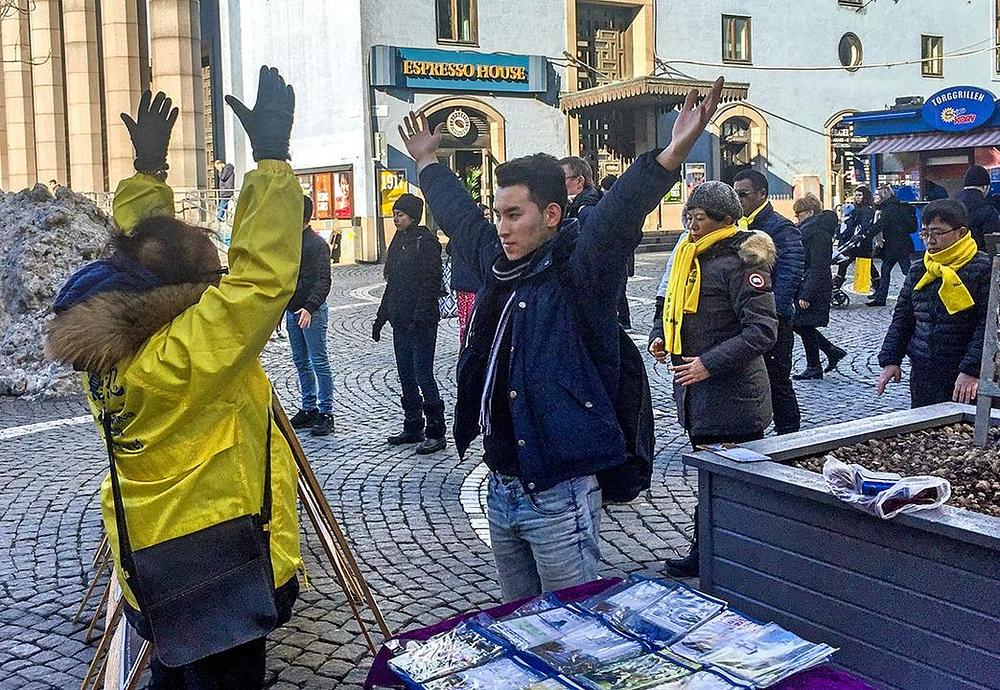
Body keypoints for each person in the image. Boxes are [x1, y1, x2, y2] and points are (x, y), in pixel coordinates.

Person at [400, 79, 725, 600]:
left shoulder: (580, 268)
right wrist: (428, 165)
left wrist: (671, 154)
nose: (502, 228)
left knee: (570, 632)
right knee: (521, 622)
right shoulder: (498, 265)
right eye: (498, 215)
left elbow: (619, 214)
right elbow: (459, 218)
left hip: (558, 492)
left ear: (551, 215)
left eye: (514, 215)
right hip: (502, 486)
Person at [46, 68, 301, 688]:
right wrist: (270, 164)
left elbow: (147, 253)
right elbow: (261, 281)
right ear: (185, 292)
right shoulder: (185, 357)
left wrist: (147, 173)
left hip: (151, 561)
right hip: (221, 564)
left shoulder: (107, 350)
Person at [648, 181, 778, 577]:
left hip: (733, 396)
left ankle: (737, 558)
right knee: (711, 478)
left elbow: (762, 331)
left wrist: (708, 363)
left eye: (699, 218)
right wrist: (660, 336)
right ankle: (706, 551)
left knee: (735, 484)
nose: (691, 224)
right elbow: (666, 302)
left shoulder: (744, 262)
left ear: (725, 220)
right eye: (688, 216)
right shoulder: (689, 254)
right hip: (697, 394)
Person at [877, 200, 990, 408]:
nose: (930, 240)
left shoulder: (984, 269)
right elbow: (903, 317)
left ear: (961, 232)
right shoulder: (920, 270)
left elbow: (988, 325)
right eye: (925, 233)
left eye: (937, 232)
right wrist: (891, 359)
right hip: (924, 372)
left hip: (964, 376)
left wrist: (972, 369)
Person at [372, 193, 448, 454]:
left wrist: (419, 315)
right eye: (394, 214)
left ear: (413, 216)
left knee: (423, 374)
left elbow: (431, 283)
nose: (396, 218)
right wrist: (381, 317)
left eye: (400, 214)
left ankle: (436, 431)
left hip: (421, 321)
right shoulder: (399, 241)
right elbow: (393, 283)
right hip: (400, 319)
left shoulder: (425, 242)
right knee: (405, 373)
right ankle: (413, 425)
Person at [733, 169, 804, 434]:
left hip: (774, 318)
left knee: (777, 379)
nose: (739, 200)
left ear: (761, 193)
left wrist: (774, 311)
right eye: (735, 194)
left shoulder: (778, 226)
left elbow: (792, 268)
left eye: (744, 194)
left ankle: (789, 433)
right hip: (746, 316)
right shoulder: (739, 226)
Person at [286, 195, 335, 436]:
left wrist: (309, 307)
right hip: (293, 311)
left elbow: (323, 280)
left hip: (311, 312)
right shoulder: (290, 242)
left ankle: (326, 412)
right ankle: (309, 408)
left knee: (318, 361)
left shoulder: (316, 244)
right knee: (301, 361)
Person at [790, 194, 846, 379]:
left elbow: (819, 265)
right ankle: (830, 352)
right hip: (808, 282)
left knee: (803, 324)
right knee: (801, 324)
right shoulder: (808, 230)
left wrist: (806, 293)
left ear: (810, 212)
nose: (797, 217)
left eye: (799, 213)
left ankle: (815, 366)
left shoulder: (819, 232)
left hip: (814, 285)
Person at [867, 185, 916, 307]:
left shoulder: (889, 209)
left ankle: (918, 292)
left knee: (903, 271)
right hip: (900, 245)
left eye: (877, 194)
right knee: (891, 270)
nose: (874, 196)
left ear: (883, 196)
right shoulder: (895, 207)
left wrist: (866, 235)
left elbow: (880, 225)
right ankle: (881, 298)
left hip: (895, 246)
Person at [835, 186, 878, 290]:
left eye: (859, 195)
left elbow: (864, 225)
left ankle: (877, 286)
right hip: (853, 241)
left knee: (866, 264)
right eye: (856, 195)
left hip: (861, 242)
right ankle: (837, 285)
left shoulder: (867, 210)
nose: (857, 197)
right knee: (845, 263)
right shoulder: (855, 209)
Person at [953, 165, 1000, 248]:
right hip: (977, 256)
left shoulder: (951, 203)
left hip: (952, 254)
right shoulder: (988, 209)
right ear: (985, 187)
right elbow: (993, 241)